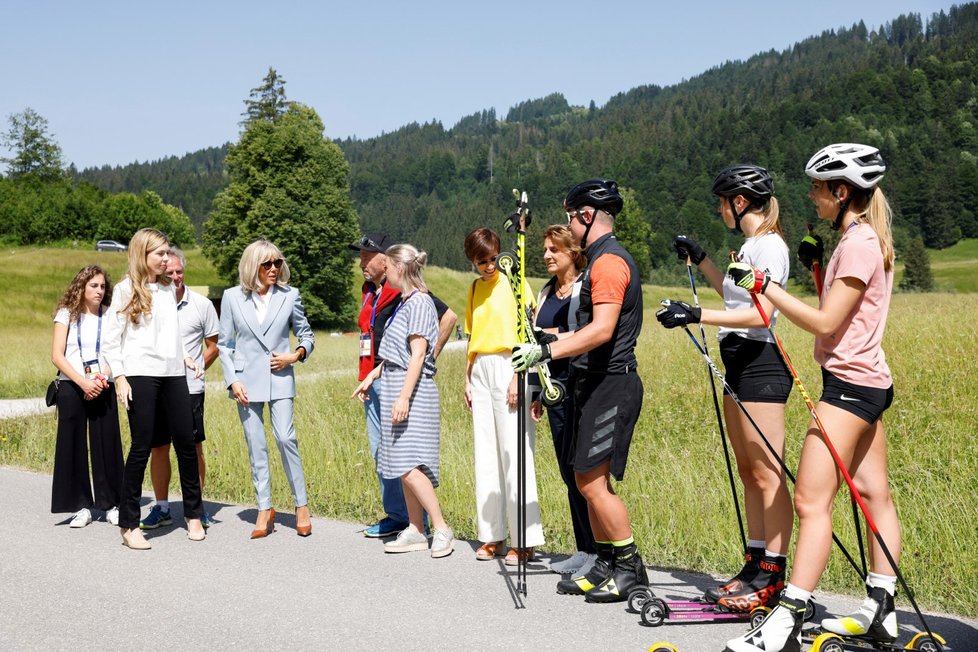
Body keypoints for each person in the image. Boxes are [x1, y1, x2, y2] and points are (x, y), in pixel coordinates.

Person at [725, 144, 899, 652]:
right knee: (872, 496)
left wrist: (764, 285)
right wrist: (818, 270)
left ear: (842, 192)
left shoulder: (860, 244)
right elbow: (847, 316)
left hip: (849, 387)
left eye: (819, 188)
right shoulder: (857, 239)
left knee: (809, 500)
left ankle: (787, 618)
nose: (812, 196)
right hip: (866, 381)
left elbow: (825, 323)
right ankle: (881, 609)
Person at [656, 164, 793, 611]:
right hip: (738, 362)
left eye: (722, 202)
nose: (719, 210)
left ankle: (773, 572)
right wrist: (703, 260)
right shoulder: (750, 246)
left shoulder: (770, 246)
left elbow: (761, 315)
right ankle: (754, 565)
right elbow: (736, 296)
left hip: (760, 364)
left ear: (739, 202)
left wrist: (696, 316)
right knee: (749, 472)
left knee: (769, 476)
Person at [512, 179, 646, 603]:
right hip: (593, 383)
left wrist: (544, 350)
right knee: (586, 477)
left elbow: (602, 330)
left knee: (590, 483)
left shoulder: (608, 263)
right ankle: (605, 559)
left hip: (613, 382)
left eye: (572, 216)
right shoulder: (599, 259)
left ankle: (629, 566)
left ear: (587, 216)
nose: (569, 225)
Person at [349, 232, 457, 539]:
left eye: (367, 257)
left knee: (405, 458)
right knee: (383, 454)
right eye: (361, 257)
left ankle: (423, 522)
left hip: (403, 384)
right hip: (381, 377)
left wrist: (425, 363)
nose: (362, 263)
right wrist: (370, 375)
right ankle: (405, 520)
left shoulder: (411, 296)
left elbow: (446, 319)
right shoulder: (370, 290)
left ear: (388, 261)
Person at [102, 228, 205, 550]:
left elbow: (167, 334)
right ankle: (129, 524)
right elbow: (110, 341)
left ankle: (193, 514)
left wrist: (185, 357)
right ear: (142, 255)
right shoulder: (123, 291)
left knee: (186, 443)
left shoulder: (166, 289)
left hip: (174, 374)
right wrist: (119, 378)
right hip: (140, 375)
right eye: (159, 253)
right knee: (142, 446)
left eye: (167, 252)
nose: (166, 258)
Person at [217, 239, 315, 539]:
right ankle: (264, 507)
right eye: (267, 264)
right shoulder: (232, 298)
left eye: (278, 263)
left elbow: (306, 334)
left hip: (281, 377)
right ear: (253, 266)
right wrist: (232, 380)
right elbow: (225, 344)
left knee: (286, 437)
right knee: (255, 444)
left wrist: (296, 354)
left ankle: (301, 505)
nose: (274, 268)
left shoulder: (290, 296)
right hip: (245, 382)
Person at [464, 227, 545, 566]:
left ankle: (524, 540)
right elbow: (472, 336)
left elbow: (527, 332)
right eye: (481, 261)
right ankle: (492, 535)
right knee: (486, 453)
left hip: (510, 365)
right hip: (480, 368)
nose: (488, 266)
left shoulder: (516, 281)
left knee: (515, 452)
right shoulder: (474, 288)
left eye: (493, 258)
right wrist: (466, 377)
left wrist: (518, 376)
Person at [529, 224, 596, 576]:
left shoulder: (585, 287)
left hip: (580, 385)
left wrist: (549, 336)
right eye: (544, 249)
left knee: (586, 471)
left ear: (573, 251)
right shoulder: (545, 292)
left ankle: (601, 550)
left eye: (554, 249)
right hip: (553, 387)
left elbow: (590, 331)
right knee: (568, 472)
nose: (546, 255)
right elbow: (539, 349)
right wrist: (538, 392)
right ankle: (584, 549)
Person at [140, 248, 220, 530]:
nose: (174, 276)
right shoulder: (150, 301)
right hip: (157, 386)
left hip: (190, 389)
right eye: (169, 271)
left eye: (179, 271)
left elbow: (214, 346)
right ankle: (162, 507)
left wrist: (197, 369)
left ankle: (195, 507)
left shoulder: (201, 305)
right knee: (158, 447)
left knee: (192, 448)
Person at [50, 265, 124, 529]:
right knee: (73, 444)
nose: (99, 291)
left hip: (103, 384)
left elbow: (120, 350)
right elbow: (57, 355)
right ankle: (81, 506)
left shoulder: (111, 315)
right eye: (94, 285)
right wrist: (82, 382)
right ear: (81, 287)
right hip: (73, 385)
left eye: (103, 286)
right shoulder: (66, 314)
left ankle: (112, 504)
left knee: (108, 443)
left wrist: (103, 377)